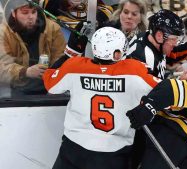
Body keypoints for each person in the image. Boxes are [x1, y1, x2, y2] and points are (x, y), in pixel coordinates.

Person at [43, 27, 161, 169]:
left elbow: (50, 83)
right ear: (116, 54)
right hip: (113, 154)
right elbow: (165, 93)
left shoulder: (74, 67)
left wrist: (70, 53)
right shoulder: (134, 71)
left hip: (74, 149)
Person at [0, 0, 66, 96]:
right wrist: (25, 72)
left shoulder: (53, 28)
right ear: (13, 13)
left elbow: (61, 58)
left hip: (50, 86)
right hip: (16, 88)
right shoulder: (3, 33)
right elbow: (2, 67)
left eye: (34, 12)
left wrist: (52, 76)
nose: (31, 17)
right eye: (25, 12)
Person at [127, 9, 187, 79]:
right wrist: (180, 82)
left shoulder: (151, 38)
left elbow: (174, 53)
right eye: (173, 39)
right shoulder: (143, 59)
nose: (175, 44)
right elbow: (152, 97)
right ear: (159, 36)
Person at [42, 0, 114, 39]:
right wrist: (65, 2)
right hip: (65, 25)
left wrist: (96, 20)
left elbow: (106, 8)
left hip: (89, 26)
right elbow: (44, 8)